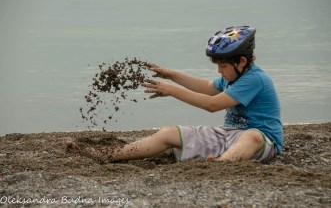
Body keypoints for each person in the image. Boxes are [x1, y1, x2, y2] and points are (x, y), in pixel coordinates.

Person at [68, 25, 282, 163]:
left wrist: (172, 91)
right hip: (228, 135)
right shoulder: (231, 77)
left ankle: (221, 165)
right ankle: (109, 155)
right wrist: (172, 75)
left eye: (223, 66)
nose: (219, 71)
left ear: (242, 62)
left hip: (263, 142)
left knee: (251, 135)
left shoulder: (255, 79)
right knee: (167, 133)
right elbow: (208, 88)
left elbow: (212, 104)